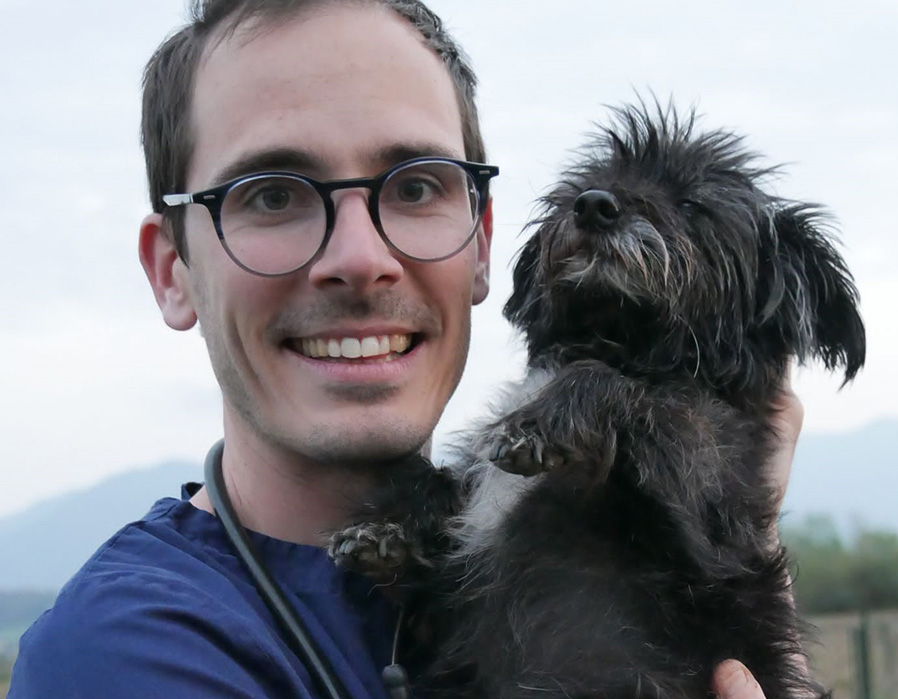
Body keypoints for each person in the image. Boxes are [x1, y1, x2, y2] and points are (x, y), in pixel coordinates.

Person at [8, 1, 804, 697]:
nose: (359, 256)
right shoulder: (127, 652)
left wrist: (731, 533)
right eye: (273, 195)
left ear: (483, 244)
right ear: (172, 270)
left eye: (415, 186)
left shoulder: (481, 534)